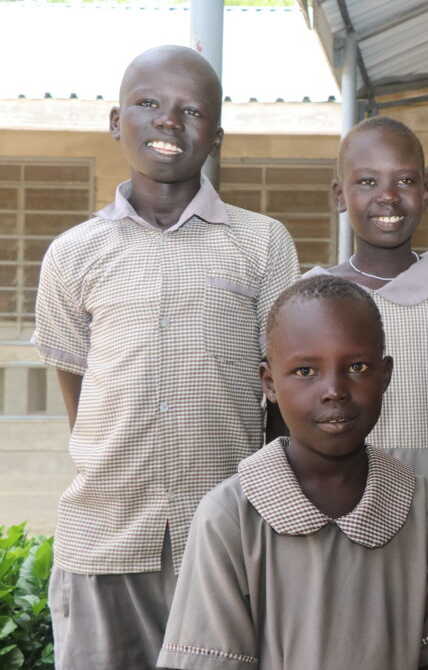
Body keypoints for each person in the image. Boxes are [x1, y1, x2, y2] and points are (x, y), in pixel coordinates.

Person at [32, 45, 299, 668]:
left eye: (191, 110)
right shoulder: (73, 255)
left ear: (218, 136)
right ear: (114, 120)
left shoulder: (261, 243)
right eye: (148, 104)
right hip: (105, 538)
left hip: (226, 538)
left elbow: (286, 392)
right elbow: (79, 390)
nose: (168, 122)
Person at [157, 275, 428, 669]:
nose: (334, 390)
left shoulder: (420, 505)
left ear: (385, 376)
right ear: (269, 383)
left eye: (357, 366)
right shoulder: (229, 517)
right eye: (306, 371)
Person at [305, 116, 428, 584]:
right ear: (338, 195)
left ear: (426, 194)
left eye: (405, 181)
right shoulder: (311, 295)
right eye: (367, 181)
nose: (387, 196)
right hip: (334, 496)